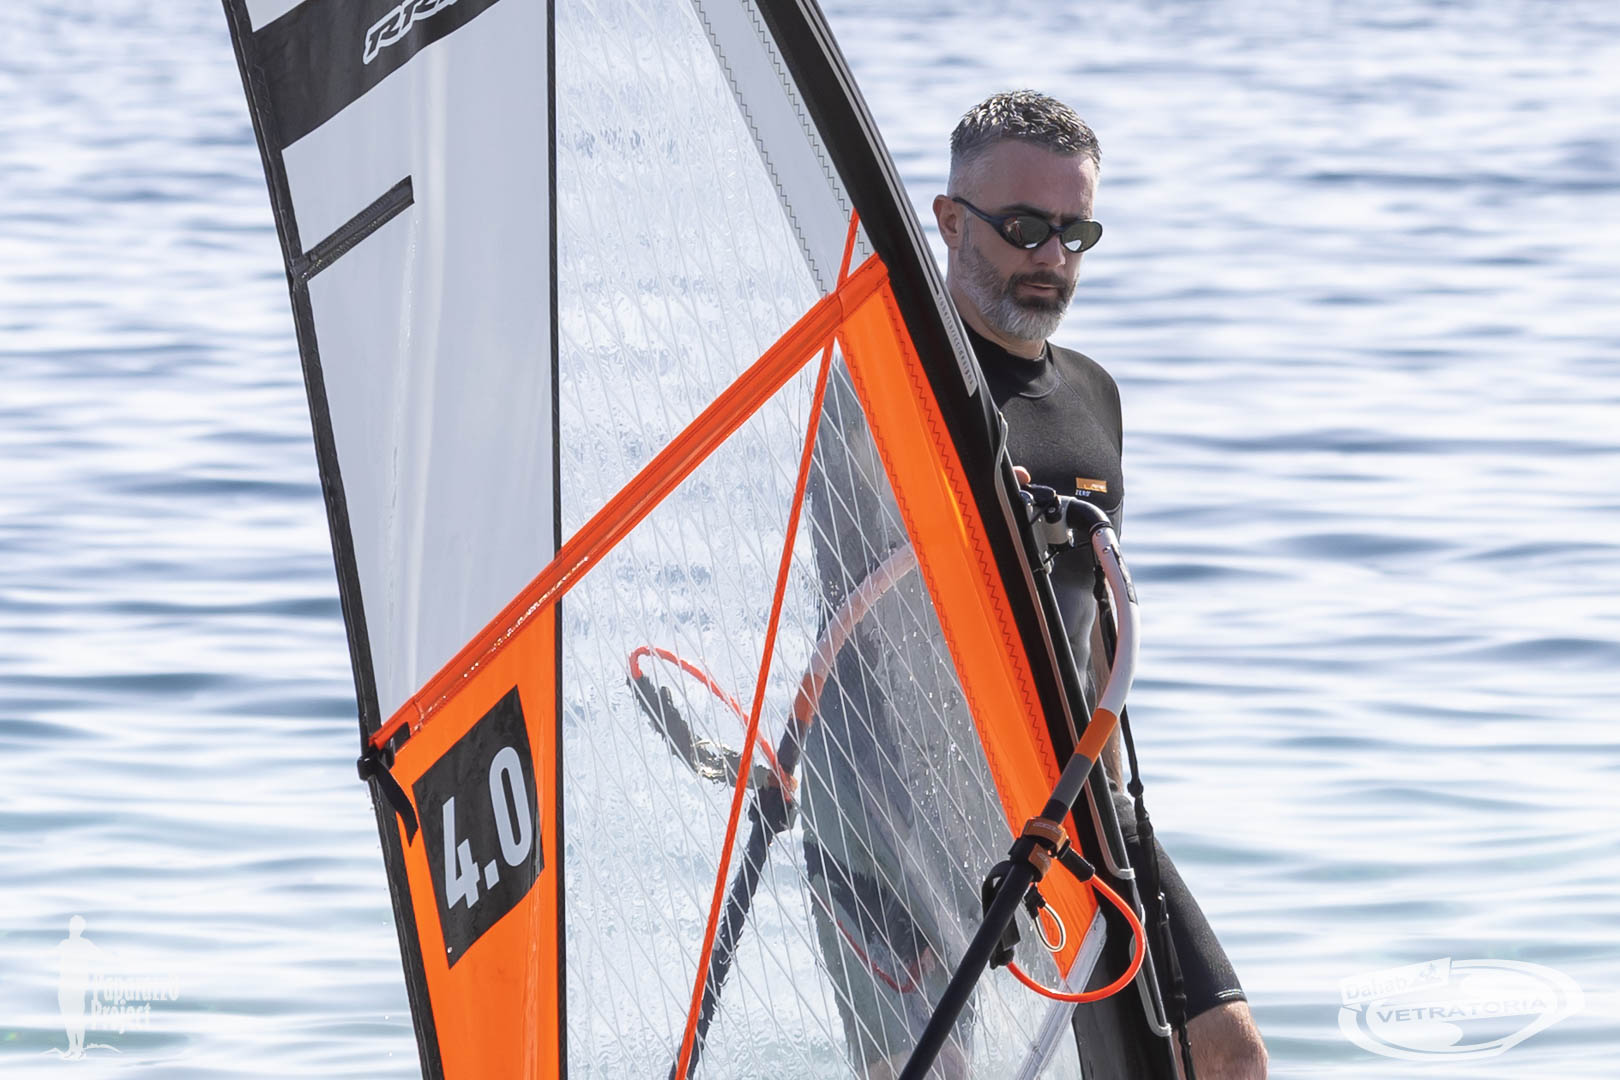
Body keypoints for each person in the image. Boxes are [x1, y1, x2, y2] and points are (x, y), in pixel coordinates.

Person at [929, 89, 1269, 1080]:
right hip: (907, 796)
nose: (1052, 258)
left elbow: (1093, 628)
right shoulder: (906, 383)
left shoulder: (1092, 394)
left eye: (1075, 233)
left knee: (1226, 1055)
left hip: (1071, 789)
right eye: (1024, 228)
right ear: (950, 220)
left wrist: (1114, 800)